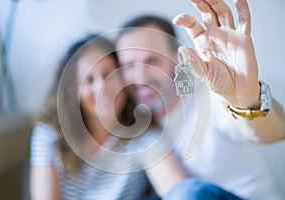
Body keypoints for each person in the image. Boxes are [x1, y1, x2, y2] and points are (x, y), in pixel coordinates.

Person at [115, 0, 285, 199]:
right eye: (128, 65)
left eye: (152, 60)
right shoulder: (135, 128)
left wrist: (246, 98)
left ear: (177, 60)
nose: (141, 77)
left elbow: (275, 132)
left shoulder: (211, 97)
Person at [29, 34, 186, 199]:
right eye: (88, 80)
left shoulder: (142, 137)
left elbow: (180, 191)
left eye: (109, 75)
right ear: (73, 91)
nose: (102, 87)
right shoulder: (50, 134)